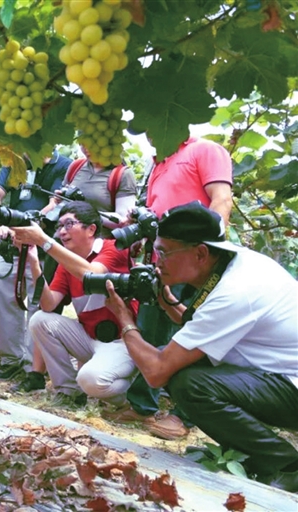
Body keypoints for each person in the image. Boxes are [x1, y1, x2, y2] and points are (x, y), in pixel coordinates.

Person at [103, 201, 298, 492]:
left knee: (188, 382)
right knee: (181, 361)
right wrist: (165, 300)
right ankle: (247, 453)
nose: (158, 261)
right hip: (277, 374)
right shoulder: (236, 263)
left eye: (165, 253)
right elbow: (200, 328)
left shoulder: (235, 291)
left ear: (201, 253)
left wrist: (123, 318)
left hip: (290, 384)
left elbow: (156, 372)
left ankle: (285, 465)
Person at [108, 134, 234, 440]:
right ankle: (142, 406)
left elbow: (222, 199)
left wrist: (206, 253)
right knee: (150, 329)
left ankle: (184, 416)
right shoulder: (158, 163)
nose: (151, 130)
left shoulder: (204, 150)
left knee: (193, 335)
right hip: (161, 263)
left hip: (193, 262)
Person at [12, 201, 138, 407]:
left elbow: (91, 274)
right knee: (40, 320)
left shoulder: (113, 248)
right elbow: (48, 305)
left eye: (69, 224)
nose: (62, 231)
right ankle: (69, 392)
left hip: (122, 342)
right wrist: (34, 261)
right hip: (91, 339)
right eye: (60, 226)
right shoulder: (67, 264)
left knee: (90, 380)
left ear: (91, 229)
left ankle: (131, 394)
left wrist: (43, 240)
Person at [0, 151, 72, 387]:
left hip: (42, 249)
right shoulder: (15, 162)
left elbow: (54, 204)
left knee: (38, 304)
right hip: (11, 245)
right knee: (6, 302)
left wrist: (22, 227)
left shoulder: (63, 165)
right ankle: (10, 360)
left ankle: (32, 366)